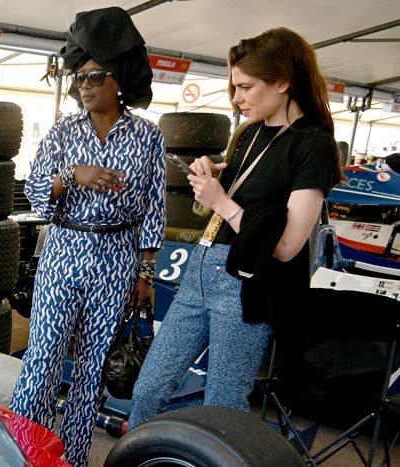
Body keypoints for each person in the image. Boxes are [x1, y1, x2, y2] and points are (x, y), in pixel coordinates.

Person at [129, 27, 341, 428]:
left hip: (247, 284)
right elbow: (226, 208)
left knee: (222, 407)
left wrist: (221, 201)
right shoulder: (247, 133)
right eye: (233, 86)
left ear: (282, 81)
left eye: (246, 87)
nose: (236, 98)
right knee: (148, 388)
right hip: (201, 268)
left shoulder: (314, 144)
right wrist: (210, 181)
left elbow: (287, 246)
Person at [9, 7, 166, 466]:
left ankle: (74, 458)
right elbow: (37, 193)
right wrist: (71, 176)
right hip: (64, 249)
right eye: (80, 76)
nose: (84, 84)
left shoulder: (148, 137)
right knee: (42, 360)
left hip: (117, 255)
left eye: (95, 76)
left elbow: (154, 208)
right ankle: (22, 451)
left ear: (118, 80)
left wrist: (145, 272)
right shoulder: (62, 132)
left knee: (93, 368)